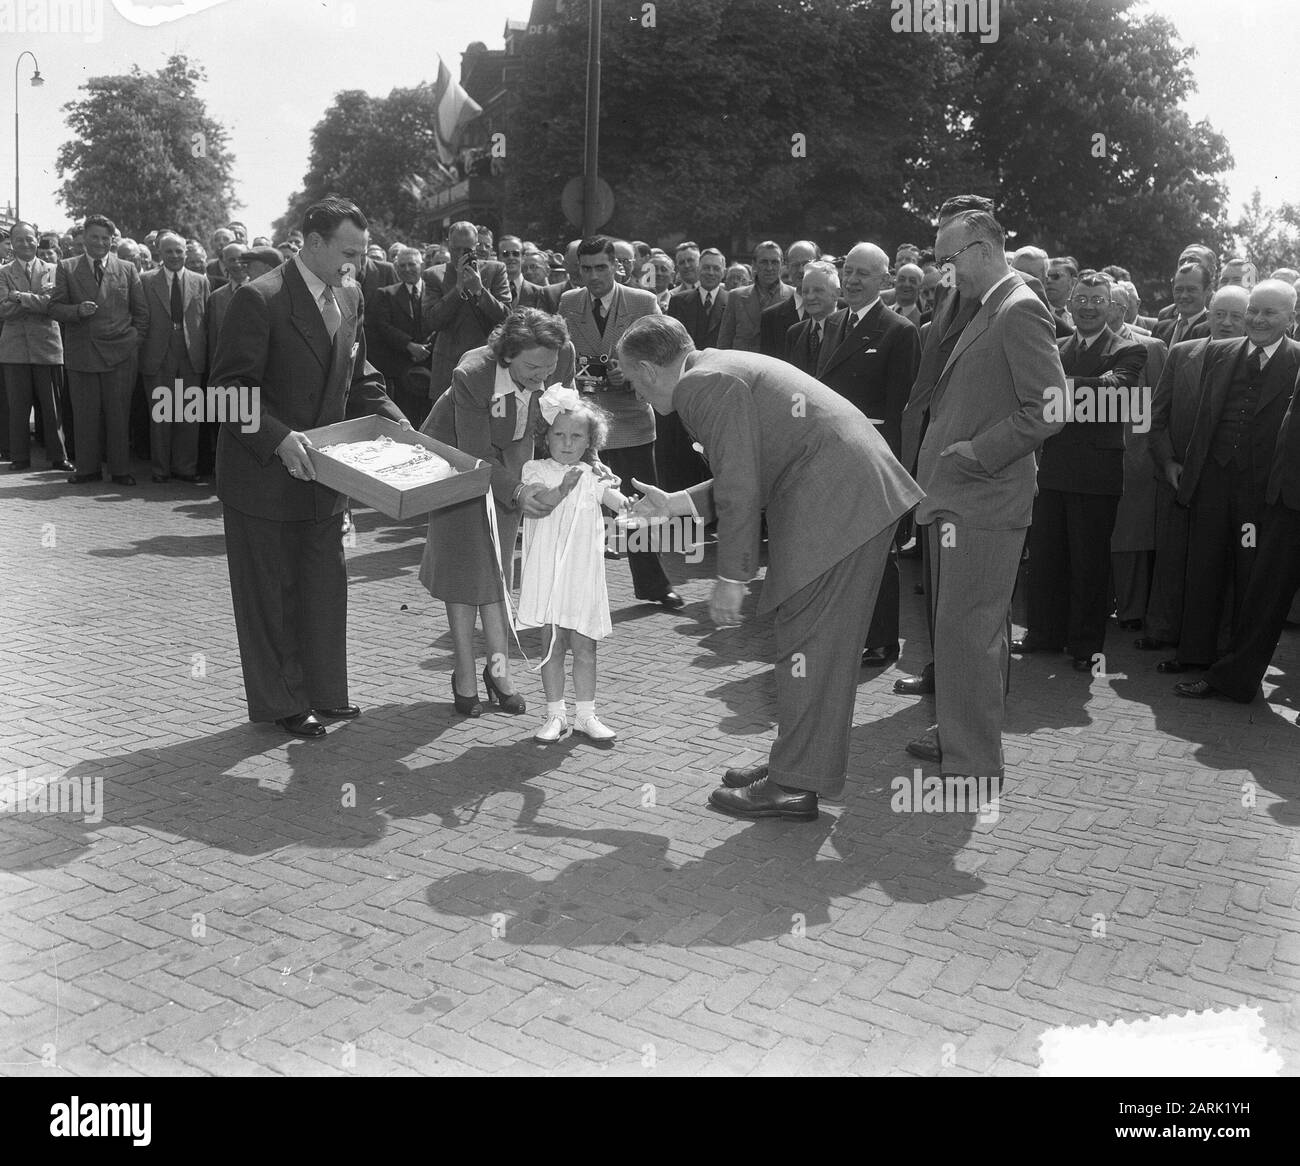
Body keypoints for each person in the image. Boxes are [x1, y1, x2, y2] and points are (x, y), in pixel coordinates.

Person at [619, 315, 923, 822]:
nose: (636, 393)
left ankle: (794, 783)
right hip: (848, 499)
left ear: (649, 369)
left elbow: (740, 487)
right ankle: (796, 763)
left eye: (632, 381)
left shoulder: (702, 385)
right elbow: (751, 470)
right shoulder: (717, 368)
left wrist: (732, 577)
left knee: (810, 645)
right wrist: (677, 504)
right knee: (811, 645)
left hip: (838, 506)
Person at [208, 197, 409, 738]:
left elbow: (358, 370)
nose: (357, 265)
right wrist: (277, 437)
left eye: (362, 254)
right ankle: (284, 702)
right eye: (348, 253)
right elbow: (226, 393)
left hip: (327, 476)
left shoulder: (351, 293)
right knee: (271, 595)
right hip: (263, 478)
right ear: (312, 243)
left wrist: (399, 424)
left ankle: (326, 691)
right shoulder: (259, 298)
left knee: (324, 587)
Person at [900, 203, 1065, 781]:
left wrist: (979, 452)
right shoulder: (988, 304)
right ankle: (963, 734)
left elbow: (1051, 407)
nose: (945, 273)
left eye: (949, 260)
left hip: (982, 500)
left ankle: (971, 764)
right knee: (967, 630)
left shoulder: (1018, 308)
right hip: (961, 499)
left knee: (967, 632)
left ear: (984, 249)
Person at [419, 308, 577, 717]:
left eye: (549, 367)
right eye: (531, 368)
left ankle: (499, 671)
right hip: (458, 463)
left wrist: (584, 461)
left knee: (496, 570)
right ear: (507, 355)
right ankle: (464, 671)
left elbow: (568, 420)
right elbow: (475, 452)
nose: (542, 376)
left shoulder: (559, 356)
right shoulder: (472, 374)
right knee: (462, 572)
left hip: (512, 460)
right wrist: (518, 489)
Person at [518, 387, 630, 744]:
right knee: (552, 642)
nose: (567, 443)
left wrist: (629, 502)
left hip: (583, 574)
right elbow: (542, 503)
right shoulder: (534, 468)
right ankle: (555, 715)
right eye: (559, 434)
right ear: (545, 436)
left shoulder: (593, 473)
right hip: (549, 573)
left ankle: (586, 715)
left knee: (585, 645)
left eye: (576, 436)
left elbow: (616, 500)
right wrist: (563, 488)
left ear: (589, 441)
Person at [48, 214, 148, 486]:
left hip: (121, 354)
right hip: (84, 353)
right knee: (85, 415)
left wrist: (133, 342)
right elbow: (54, 307)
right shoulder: (67, 267)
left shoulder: (127, 268)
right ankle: (87, 470)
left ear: (112, 240)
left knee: (119, 414)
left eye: (106, 238)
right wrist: (76, 311)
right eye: (94, 237)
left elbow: (141, 313)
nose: (100, 242)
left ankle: (120, 470)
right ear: (84, 239)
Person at [0, 221, 72, 472]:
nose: (25, 243)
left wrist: (19, 296)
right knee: (18, 406)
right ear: (12, 243)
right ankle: (19, 456)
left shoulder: (54, 269)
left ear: (37, 238)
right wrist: (36, 301)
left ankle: (58, 456)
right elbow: (3, 309)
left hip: (47, 346)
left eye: (30, 238)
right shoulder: (3, 271)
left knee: (53, 406)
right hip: (15, 348)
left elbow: (52, 305)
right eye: (18, 239)